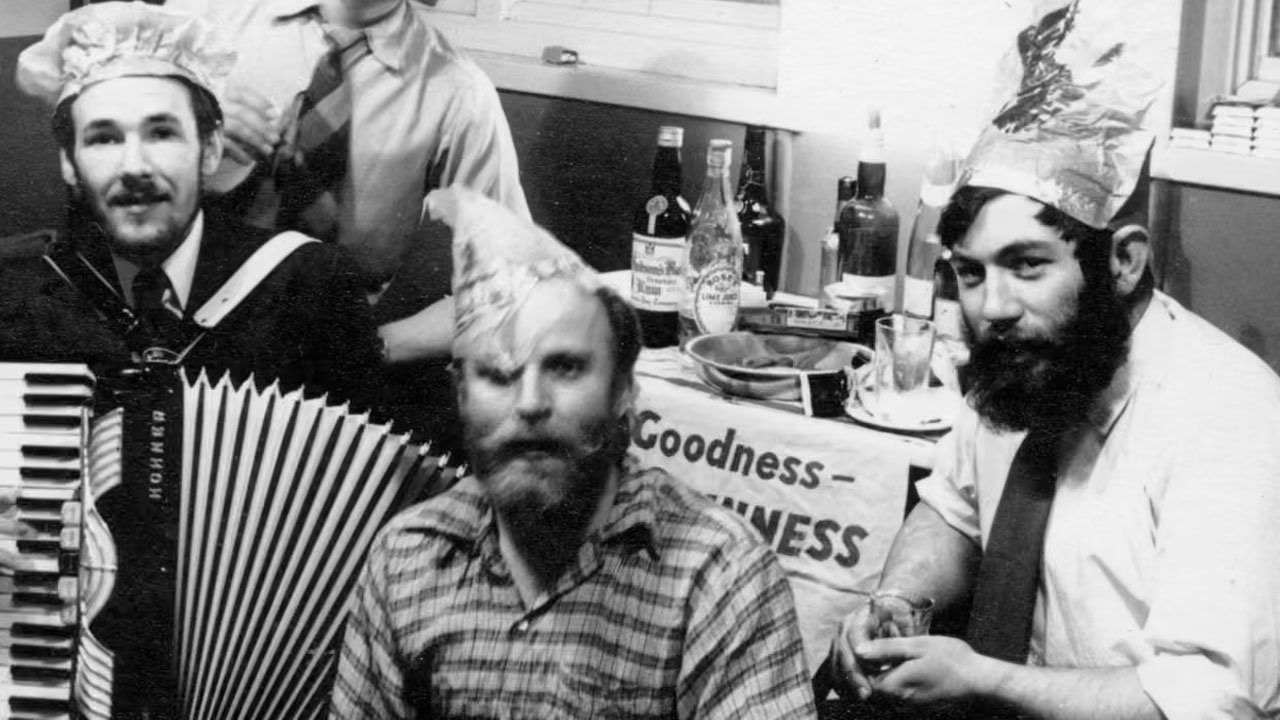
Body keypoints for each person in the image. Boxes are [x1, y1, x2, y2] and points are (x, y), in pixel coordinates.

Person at [827, 3, 1280, 718]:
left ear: (1124, 261)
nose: (993, 307)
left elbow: (1209, 701)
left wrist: (985, 680)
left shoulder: (1229, 419)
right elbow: (952, 512)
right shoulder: (1029, 362)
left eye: (1027, 265)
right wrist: (899, 600)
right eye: (970, 272)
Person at [330, 186, 815, 719]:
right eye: (497, 375)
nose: (529, 404)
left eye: (564, 368)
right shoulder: (406, 561)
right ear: (462, 395)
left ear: (623, 392)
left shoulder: (719, 575)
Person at [3, 1, 382, 407]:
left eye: (161, 133)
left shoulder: (313, 282)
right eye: (105, 139)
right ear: (68, 162)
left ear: (211, 149)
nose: (135, 167)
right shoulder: (13, 291)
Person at [164, 0, 530, 363]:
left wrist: (369, 348)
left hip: (318, 350)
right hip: (173, 318)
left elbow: (517, 287)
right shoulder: (205, 15)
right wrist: (175, 116)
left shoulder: (459, 93)